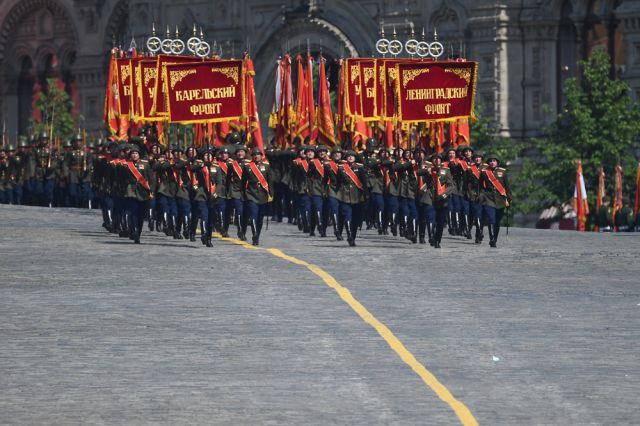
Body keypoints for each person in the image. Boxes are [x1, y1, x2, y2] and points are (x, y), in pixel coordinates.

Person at [418, 153, 454, 248]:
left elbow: (451, 185)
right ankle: (431, 237)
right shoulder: (428, 170)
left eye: (438, 159)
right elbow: (418, 172)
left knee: (440, 222)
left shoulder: (446, 171)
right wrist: (427, 171)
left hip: (442, 199)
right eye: (434, 159)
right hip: (429, 196)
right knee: (430, 218)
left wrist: (444, 195)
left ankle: (437, 239)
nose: (436, 161)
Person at [122, 144, 153, 244]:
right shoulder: (126, 165)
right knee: (133, 212)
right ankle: (134, 231)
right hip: (131, 190)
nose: (135, 155)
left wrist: (151, 189)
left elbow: (150, 178)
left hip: (143, 192)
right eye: (133, 153)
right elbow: (122, 179)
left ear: (139, 155)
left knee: (140, 215)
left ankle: (138, 233)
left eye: (136, 153)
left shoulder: (145, 164)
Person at [241, 148, 272, 246]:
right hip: (251, 194)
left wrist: (271, 194)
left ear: (261, 156)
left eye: (258, 154)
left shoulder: (266, 166)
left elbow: (270, 182)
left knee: (260, 218)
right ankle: (254, 234)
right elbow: (243, 182)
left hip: (263, 194)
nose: (256, 156)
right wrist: (244, 194)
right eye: (254, 154)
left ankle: (257, 235)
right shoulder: (247, 167)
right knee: (253, 215)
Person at [336, 150, 367, 246]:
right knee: (347, 216)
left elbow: (364, 182)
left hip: (357, 195)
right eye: (348, 156)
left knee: (355, 218)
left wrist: (365, 194)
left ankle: (352, 237)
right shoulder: (341, 168)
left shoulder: (360, 168)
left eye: (352, 156)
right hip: (344, 195)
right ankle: (349, 234)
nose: (350, 157)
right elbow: (338, 182)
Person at [481, 154, 512, 247]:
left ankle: (495, 238)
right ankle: (491, 239)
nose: (492, 162)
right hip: (489, 198)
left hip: (500, 200)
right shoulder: (484, 172)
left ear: (497, 162)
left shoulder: (503, 172)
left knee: (497, 221)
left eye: (494, 161)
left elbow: (507, 186)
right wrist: (481, 195)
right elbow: (480, 186)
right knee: (491, 219)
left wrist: (509, 198)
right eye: (490, 161)